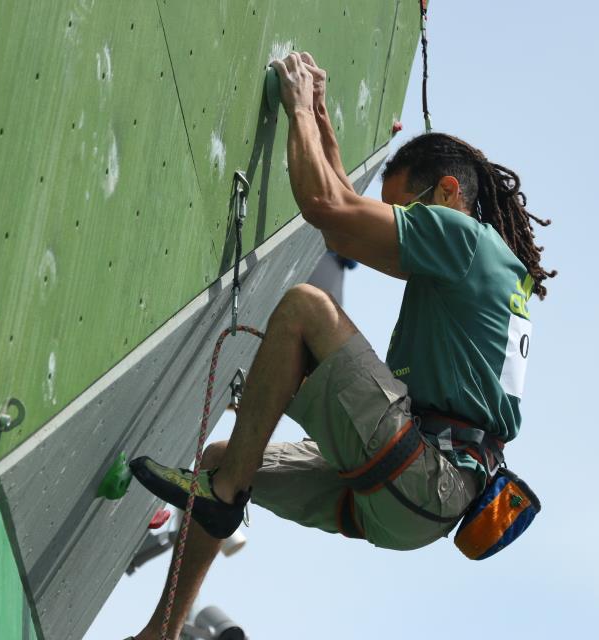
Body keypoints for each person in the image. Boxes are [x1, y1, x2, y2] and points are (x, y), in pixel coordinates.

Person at [127, 51, 555, 640]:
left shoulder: (461, 238)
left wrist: (299, 106)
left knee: (306, 307)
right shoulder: (490, 272)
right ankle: (162, 634)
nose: (395, 221)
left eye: (404, 210)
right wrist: (323, 121)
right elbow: (339, 224)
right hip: (421, 499)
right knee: (224, 459)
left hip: (425, 473)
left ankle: (224, 496)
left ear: (450, 192)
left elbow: (327, 207)